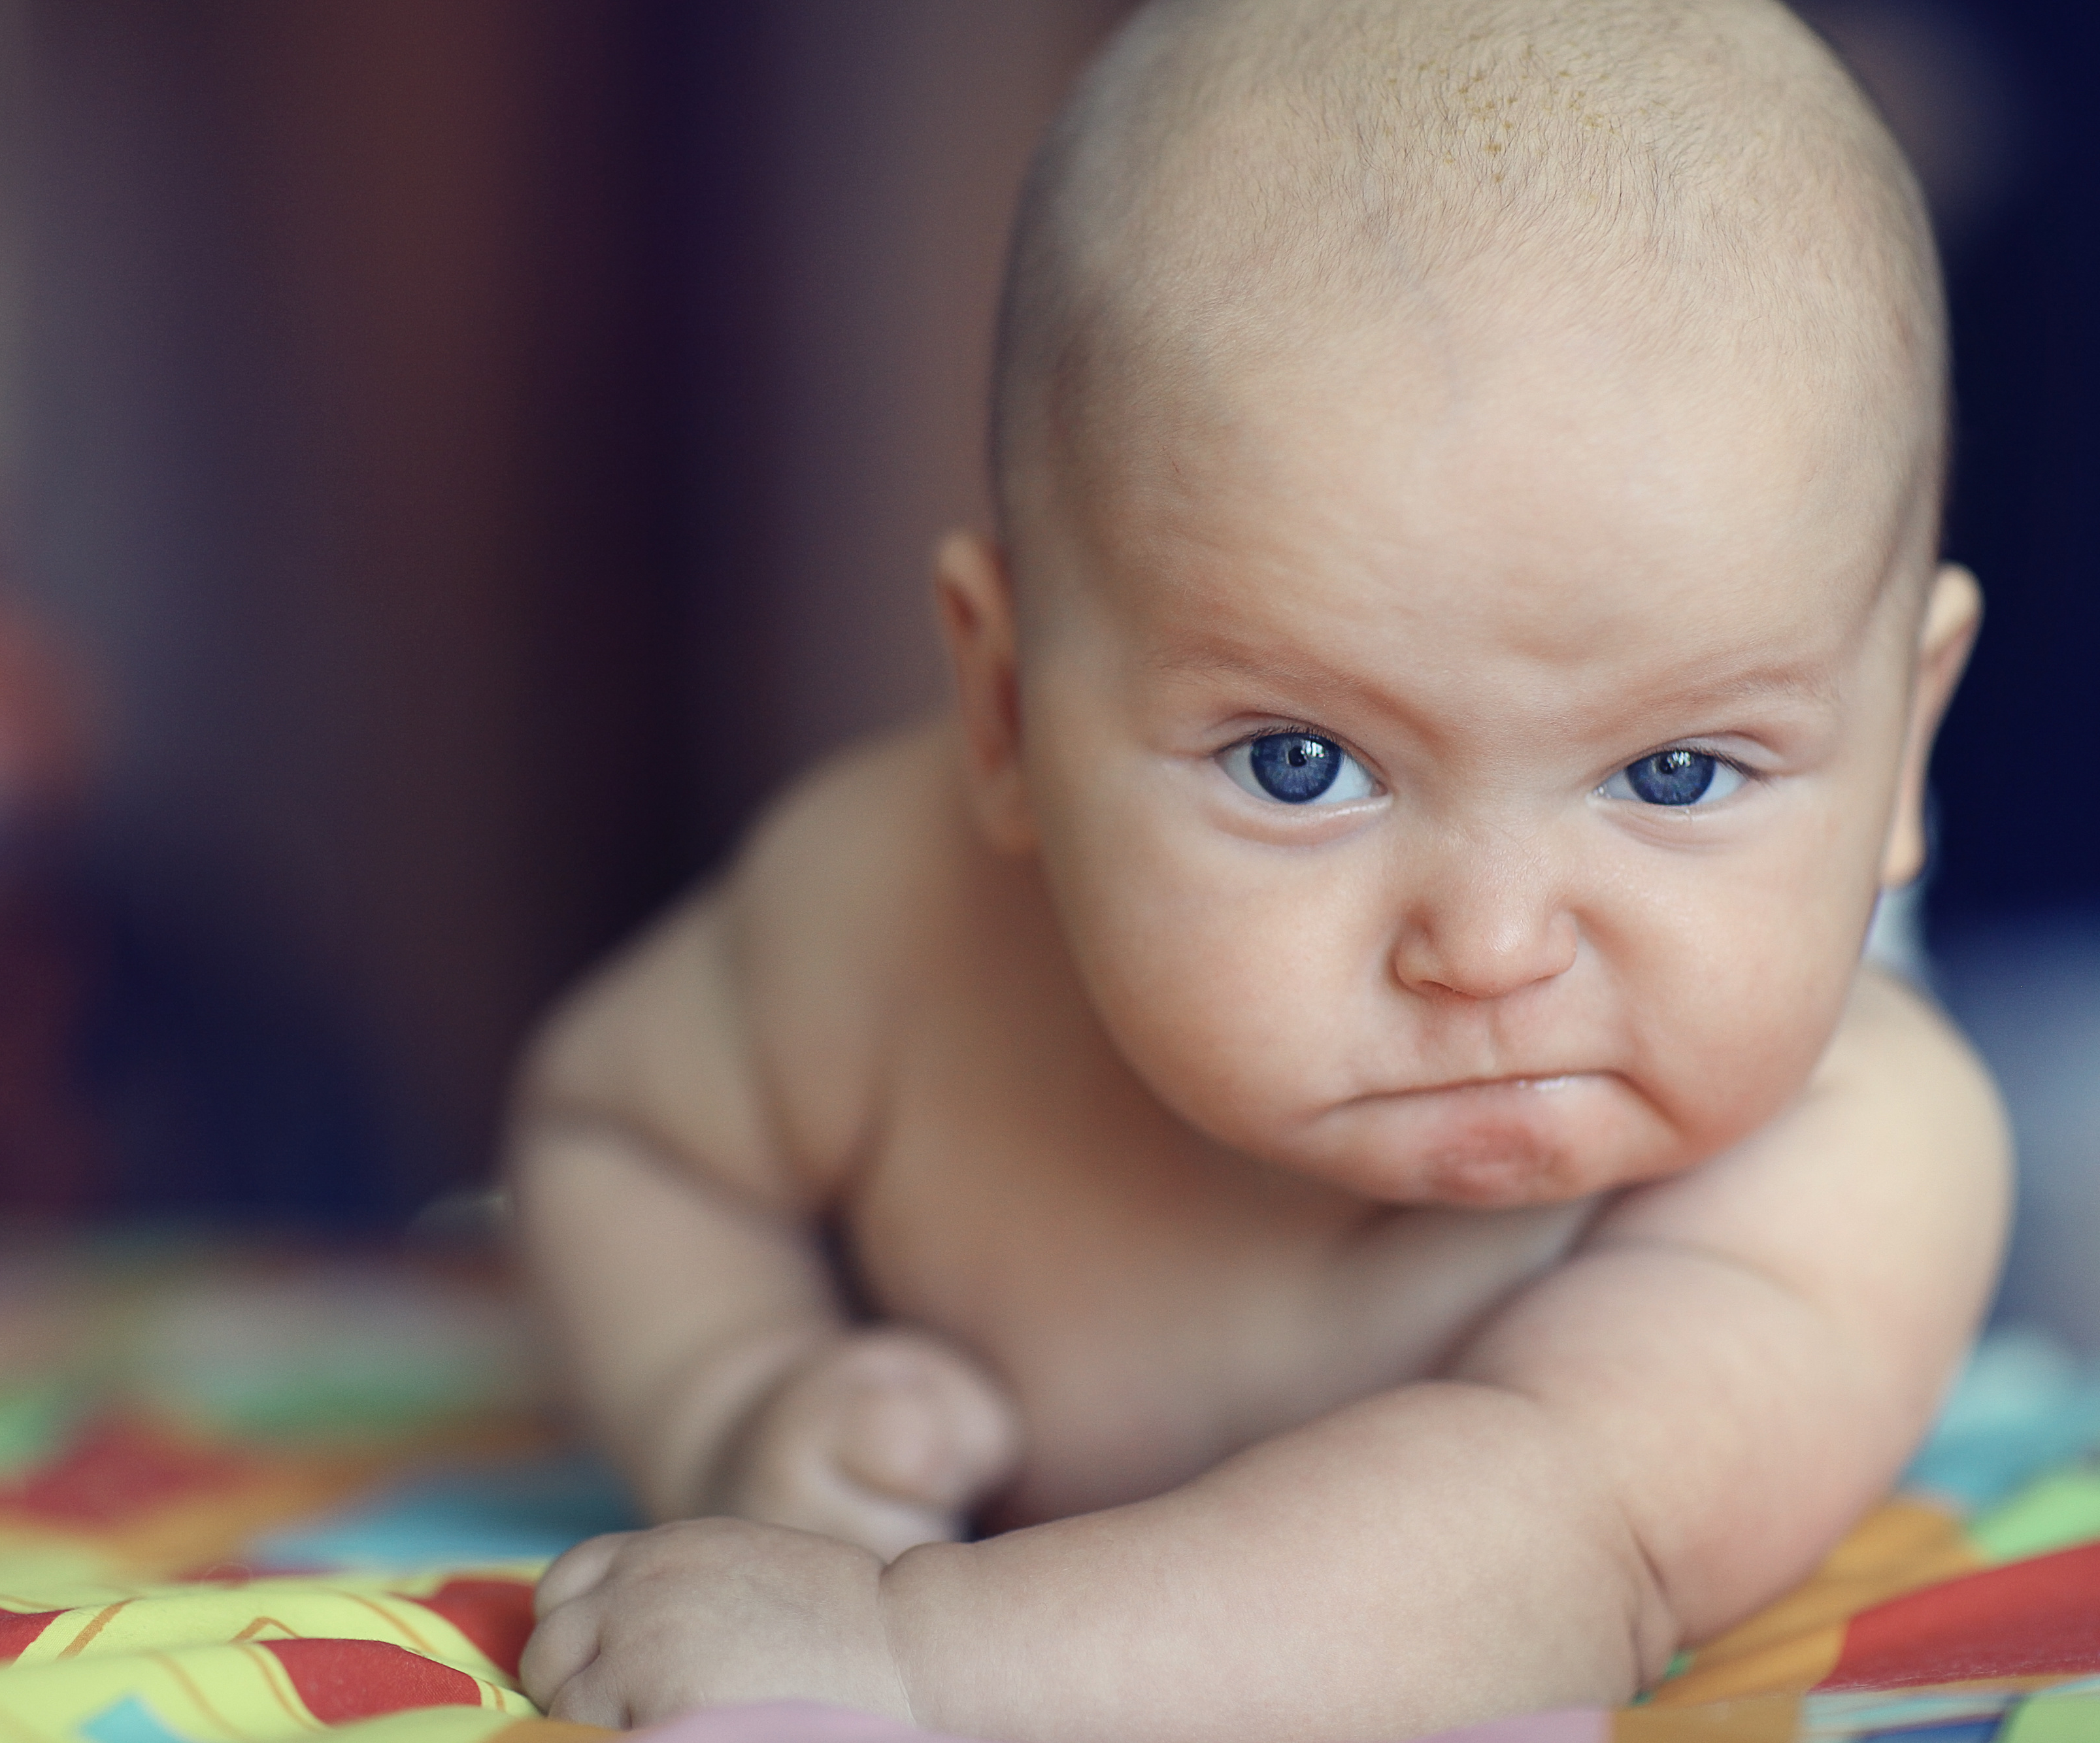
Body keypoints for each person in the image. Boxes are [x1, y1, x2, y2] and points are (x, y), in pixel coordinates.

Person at [508, 1, 2010, 1736]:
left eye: (1676, 770)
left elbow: (1535, 1549)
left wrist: (910, 1656)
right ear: (1004, 706)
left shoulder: (1844, 1154)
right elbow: (615, 1129)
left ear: (1902, 743)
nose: (1494, 942)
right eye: (1303, 764)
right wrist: (734, 1389)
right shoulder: (896, 911)